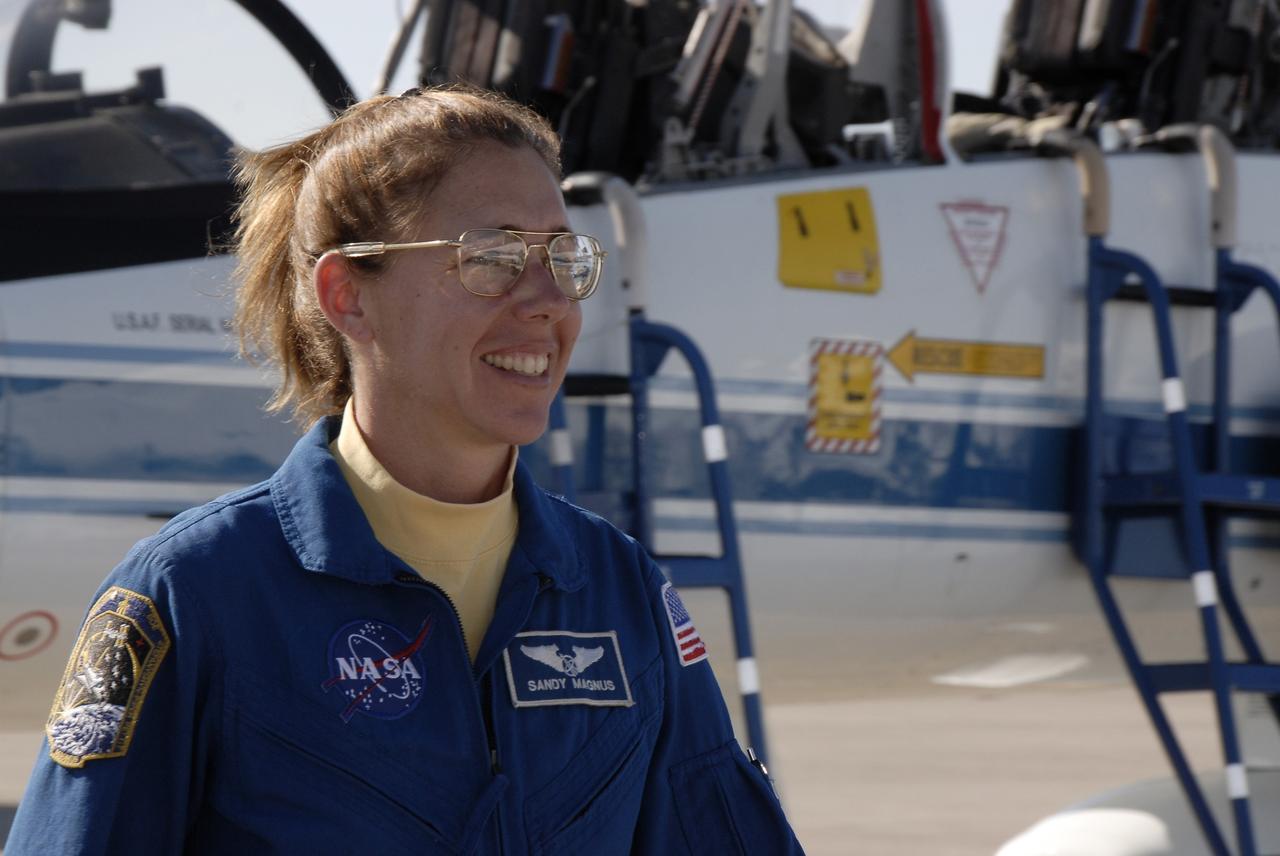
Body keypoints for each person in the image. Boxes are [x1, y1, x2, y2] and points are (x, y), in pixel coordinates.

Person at [6, 84, 804, 854]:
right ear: (347, 293)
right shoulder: (195, 594)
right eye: (492, 257)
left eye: (563, 257)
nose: (548, 301)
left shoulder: (622, 594)